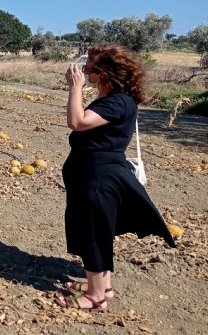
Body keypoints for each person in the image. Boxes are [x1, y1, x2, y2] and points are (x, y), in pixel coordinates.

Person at [55, 43, 176, 310]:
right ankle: (101, 286)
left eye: (91, 65)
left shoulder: (118, 101)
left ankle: (95, 297)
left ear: (107, 71)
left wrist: (75, 87)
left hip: (98, 177)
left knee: (93, 232)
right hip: (92, 173)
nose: (85, 68)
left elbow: (77, 122)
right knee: (98, 229)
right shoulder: (113, 98)